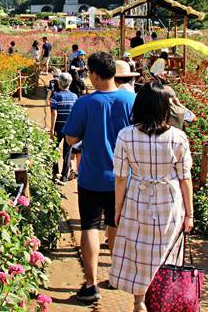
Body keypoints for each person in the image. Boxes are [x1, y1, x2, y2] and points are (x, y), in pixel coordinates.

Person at [108, 81, 194, 310]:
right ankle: (161, 298)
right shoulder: (178, 137)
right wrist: (190, 214)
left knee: (139, 251)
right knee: (166, 251)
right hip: (169, 200)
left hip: (137, 198)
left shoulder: (126, 135)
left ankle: (139, 301)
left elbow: (120, 177)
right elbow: (185, 178)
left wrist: (118, 209)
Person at [63, 52, 135, 302]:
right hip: (124, 177)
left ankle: (91, 285)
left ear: (93, 74)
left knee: (90, 227)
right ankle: (116, 276)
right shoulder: (132, 100)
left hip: (92, 176)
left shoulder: (85, 103)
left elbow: (71, 138)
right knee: (116, 225)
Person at [50, 72, 78, 182]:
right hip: (69, 128)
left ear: (59, 82)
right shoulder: (74, 96)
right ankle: (64, 176)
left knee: (54, 149)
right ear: (70, 83)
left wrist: (52, 129)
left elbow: (54, 113)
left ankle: (55, 172)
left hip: (58, 127)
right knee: (67, 152)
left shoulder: (56, 95)